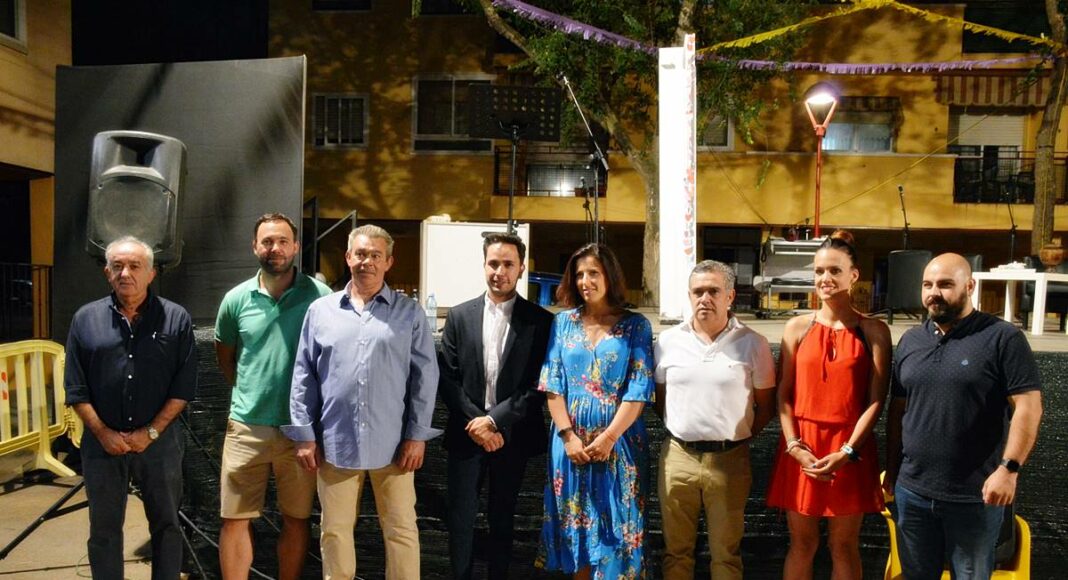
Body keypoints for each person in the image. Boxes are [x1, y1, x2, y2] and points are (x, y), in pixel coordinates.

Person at [284, 224, 440, 580]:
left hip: (395, 446)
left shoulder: (409, 313)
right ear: (348, 257)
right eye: (360, 254)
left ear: (388, 262)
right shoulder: (320, 311)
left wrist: (417, 436)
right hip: (335, 444)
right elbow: (303, 375)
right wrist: (304, 435)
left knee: (401, 530)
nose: (366, 261)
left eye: (375, 255)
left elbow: (425, 379)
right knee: (334, 531)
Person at [885, 252, 1043, 579]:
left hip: (974, 498)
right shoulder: (911, 340)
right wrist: (893, 470)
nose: (934, 292)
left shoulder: (1002, 337)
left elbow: (1029, 406)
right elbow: (899, 410)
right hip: (912, 493)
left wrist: (1009, 469)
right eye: (927, 284)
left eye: (945, 284)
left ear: (969, 286)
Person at [64, 236, 197, 579]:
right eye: (118, 266)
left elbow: (183, 388)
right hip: (102, 445)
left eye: (135, 266)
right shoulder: (84, 319)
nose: (126, 273)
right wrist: (103, 433)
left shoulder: (176, 319)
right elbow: (76, 388)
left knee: (167, 525)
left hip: (160, 443)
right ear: (107, 272)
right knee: (104, 530)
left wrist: (150, 432)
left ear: (151, 273)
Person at [766, 230, 891, 580]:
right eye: (819, 271)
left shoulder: (874, 331)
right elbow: (783, 395)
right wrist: (794, 446)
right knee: (802, 543)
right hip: (801, 447)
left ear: (853, 275)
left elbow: (876, 400)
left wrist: (848, 451)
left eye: (835, 270)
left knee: (844, 545)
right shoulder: (795, 327)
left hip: (850, 449)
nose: (825, 278)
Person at [214, 213, 331, 580]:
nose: (274, 248)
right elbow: (226, 358)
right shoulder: (235, 300)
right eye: (267, 241)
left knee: (296, 519)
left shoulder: (321, 296)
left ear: (295, 246)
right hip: (247, 428)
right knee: (234, 519)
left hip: (301, 432)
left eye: (282, 241)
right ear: (255, 247)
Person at [438, 232, 553, 579]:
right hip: (466, 433)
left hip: (513, 435)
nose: (499, 271)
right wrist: (479, 423)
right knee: (460, 520)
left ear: (521, 269)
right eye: (493, 263)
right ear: (484, 265)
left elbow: (538, 383)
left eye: (508, 264)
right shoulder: (459, 315)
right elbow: (448, 378)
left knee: (503, 518)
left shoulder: (541, 321)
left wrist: (495, 421)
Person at [537, 243, 655, 580]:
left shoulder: (636, 326)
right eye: (579, 274)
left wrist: (609, 438)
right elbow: (553, 384)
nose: (585, 281)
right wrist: (568, 436)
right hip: (570, 446)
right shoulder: (563, 323)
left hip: (619, 445)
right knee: (575, 529)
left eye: (594, 273)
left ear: (610, 276)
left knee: (618, 530)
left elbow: (639, 388)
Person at [654, 260, 776, 580]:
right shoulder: (667, 342)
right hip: (677, 458)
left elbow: (766, 406)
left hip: (730, 460)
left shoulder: (753, 343)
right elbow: (660, 399)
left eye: (713, 291)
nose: (704, 298)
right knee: (676, 552)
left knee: (726, 555)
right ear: (689, 296)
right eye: (698, 292)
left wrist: (737, 438)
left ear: (730, 296)